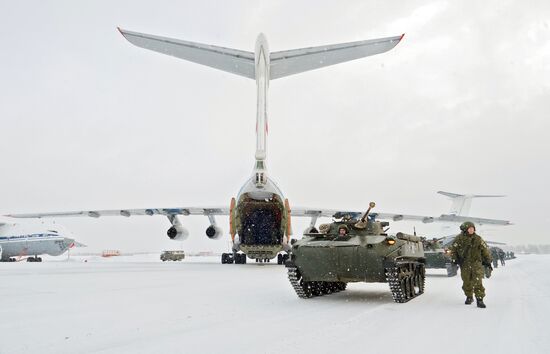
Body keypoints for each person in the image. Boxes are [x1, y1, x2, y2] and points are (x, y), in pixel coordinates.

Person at [450, 221, 492, 308]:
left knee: (478, 281)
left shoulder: (478, 239)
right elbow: (453, 250)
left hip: (476, 263)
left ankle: (479, 299)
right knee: (466, 281)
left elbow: (485, 250)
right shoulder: (459, 239)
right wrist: (454, 259)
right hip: (464, 264)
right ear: (465, 229)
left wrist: (488, 261)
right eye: (470, 228)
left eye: (473, 228)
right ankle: (469, 296)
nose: (472, 230)